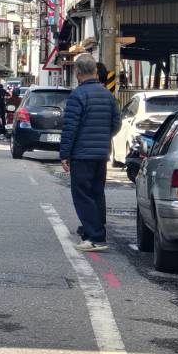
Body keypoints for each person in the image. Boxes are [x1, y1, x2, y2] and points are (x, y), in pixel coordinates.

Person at [59, 52, 121, 251]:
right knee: (96, 193)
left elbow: (70, 128)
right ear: (95, 71)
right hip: (101, 154)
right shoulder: (108, 95)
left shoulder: (78, 96)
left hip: (82, 154)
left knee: (82, 195)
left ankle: (95, 237)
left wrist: (65, 154)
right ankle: (92, 231)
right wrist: (103, 137)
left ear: (78, 73)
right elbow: (116, 124)